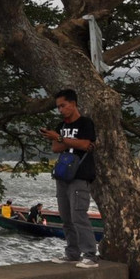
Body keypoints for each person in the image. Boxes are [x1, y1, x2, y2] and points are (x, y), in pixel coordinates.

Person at [40, 89, 98, 268]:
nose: (61, 110)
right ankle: (72, 253)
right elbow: (56, 148)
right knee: (65, 217)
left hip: (80, 175)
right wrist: (59, 138)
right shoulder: (62, 126)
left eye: (63, 105)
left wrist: (59, 138)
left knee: (78, 215)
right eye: (58, 107)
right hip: (63, 175)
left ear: (73, 104)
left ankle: (90, 255)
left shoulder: (85, 123)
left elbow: (86, 144)